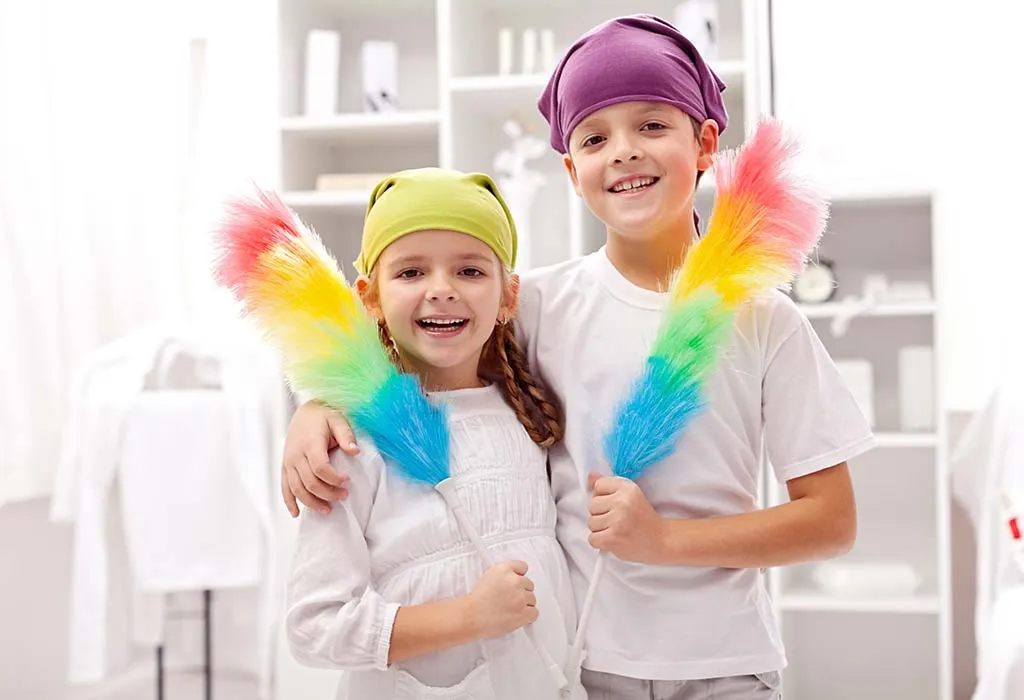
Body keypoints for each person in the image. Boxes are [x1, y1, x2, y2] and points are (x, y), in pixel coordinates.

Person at [281, 15, 876, 699]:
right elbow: (423, 351)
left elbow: (831, 521)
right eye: (595, 138)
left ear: (706, 143)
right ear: (571, 169)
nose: (623, 152)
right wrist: (318, 404)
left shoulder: (766, 320)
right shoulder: (536, 304)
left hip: (726, 665)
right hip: (582, 666)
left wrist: (665, 542)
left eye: (652, 125)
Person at [284, 167, 584, 699]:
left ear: (508, 296)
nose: (441, 290)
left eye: (469, 271)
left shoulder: (529, 416)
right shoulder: (350, 442)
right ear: (370, 297)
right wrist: (468, 617)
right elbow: (315, 626)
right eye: (411, 272)